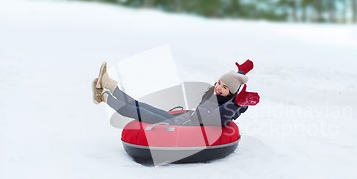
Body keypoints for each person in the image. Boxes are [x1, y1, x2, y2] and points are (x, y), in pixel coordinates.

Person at [92, 60, 260, 126]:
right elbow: (234, 85)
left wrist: (237, 103)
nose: (218, 87)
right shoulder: (216, 95)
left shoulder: (224, 107)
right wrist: (241, 72)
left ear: (231, 93)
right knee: (143, 106)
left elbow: (220, 117)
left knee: (138, 112)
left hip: (181, 127)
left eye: (224, 87)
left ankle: (104, 97)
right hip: (183, 119)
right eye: (219, 82)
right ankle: (111, 86)